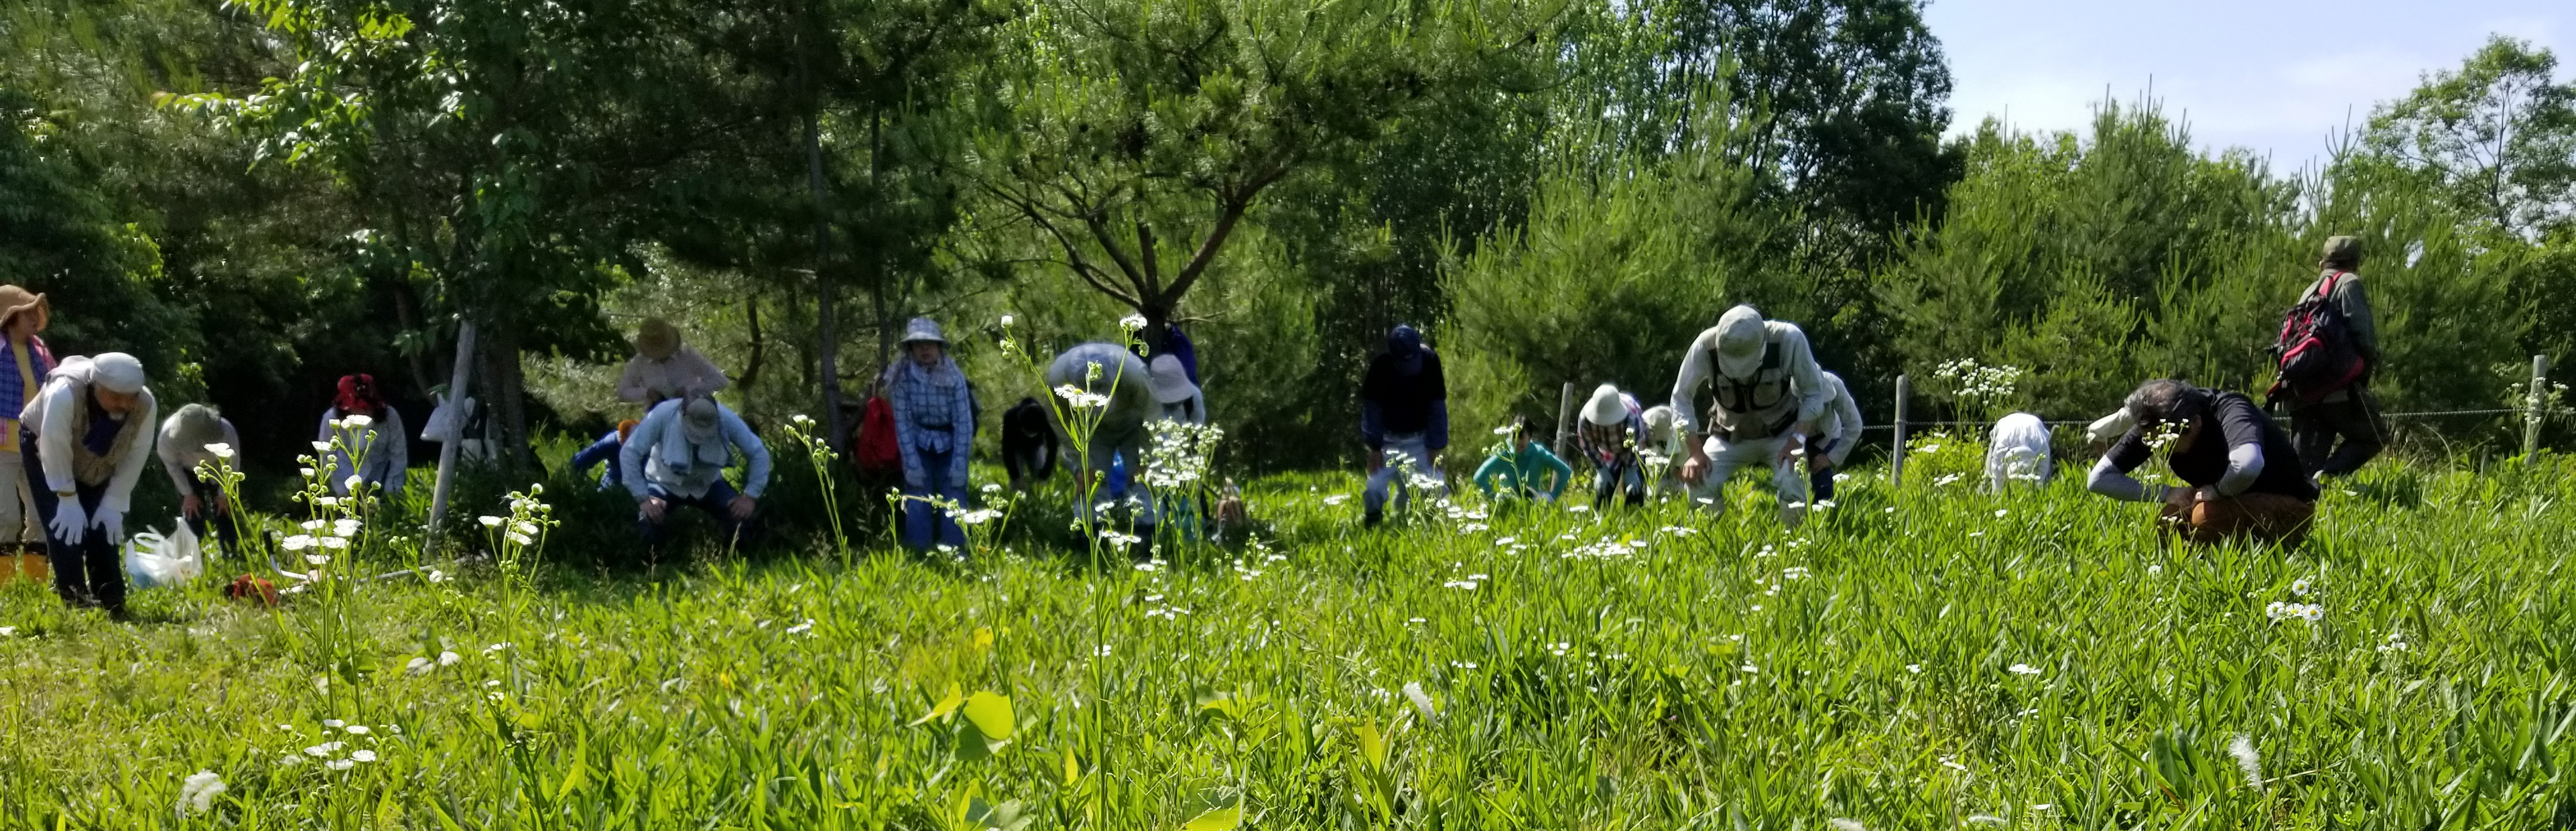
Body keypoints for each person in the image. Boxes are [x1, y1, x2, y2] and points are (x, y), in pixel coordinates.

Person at [2087, 379, 2319, 546]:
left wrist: (2218, 491)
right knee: (2170, 522)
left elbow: (2248, 465)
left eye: (2167, 440)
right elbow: (2098, 480)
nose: (2159, 446)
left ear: (2196, 423)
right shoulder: (2157, 423)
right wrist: (2164, 492)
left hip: (2289, 506)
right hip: (2227, 499)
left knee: (2206, 518)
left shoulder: (2231, 410)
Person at [1669, 305, 1830, 527]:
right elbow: (1681, 397)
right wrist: (1695, 452)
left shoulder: (1788, 339)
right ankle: (1712, 546)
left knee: (1793, 478)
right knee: (1700, 480)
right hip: (1728, 437)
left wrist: (1798, 440)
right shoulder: (1704, 346)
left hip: (1783, 435)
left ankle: (1795, 544)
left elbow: (1814, 392)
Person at [21, 353, 157, 618]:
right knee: (64, 527)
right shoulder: (64, 393)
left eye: (131, 396)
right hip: (43, 448)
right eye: (116, 397)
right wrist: (67, 498)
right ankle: (76, 604)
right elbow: (54, 445)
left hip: (98, 459)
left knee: (101, 526)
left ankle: (111, 601)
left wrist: (114, 502)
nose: (125, 404)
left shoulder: (145, 405)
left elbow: (136, 454)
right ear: (97, 387)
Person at [2281, 235, 2386, 479]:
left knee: (2302, 471)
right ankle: (2329, 476)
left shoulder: (2309, 291)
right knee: (2373, 436)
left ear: (2322, 263)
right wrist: (2363, 372)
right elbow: (2365, 338)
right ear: (2355, 262)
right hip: (2339, 389)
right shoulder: (2350, 283)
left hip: (2303, 389)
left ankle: (2298, 506)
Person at [620, 395, 769, 556]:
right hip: (663, 483)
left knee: (740, 518)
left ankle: (738, 560)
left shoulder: (726, 418)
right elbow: (630, 452)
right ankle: (654, 564)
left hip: (708, 484)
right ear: (682, 414)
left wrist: (750, 497)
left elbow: (759, 453)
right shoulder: (662, 414)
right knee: (649, 519)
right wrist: (644, 499)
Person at [1045, 342, 1157, 527]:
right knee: (1091, 483)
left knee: (1142, 483)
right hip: (1092, 430)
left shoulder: (1134, 373)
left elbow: (1153, 416)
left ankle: (1147, 537)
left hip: (1134, 426)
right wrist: (1083, 464)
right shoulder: (1058, 379)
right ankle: (1089, 536)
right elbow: (1061, 422)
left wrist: (1145, 461)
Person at [891, 318, 977, 550]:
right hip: (918, 442)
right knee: (918, 495)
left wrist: (960, 463)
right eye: (918, 344)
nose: (925, 349)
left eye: (930, 343)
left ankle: (956, 550)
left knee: (955, 495)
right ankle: (918, 551)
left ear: (939, 347)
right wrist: (911, 463)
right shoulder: (901, 379)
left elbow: (963, 423)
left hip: (950, 442)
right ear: (911, 349)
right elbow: (903, 423)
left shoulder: (955, 378)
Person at [1359, 324, 1449, 525]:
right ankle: (1373, 530)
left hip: (1422, 441)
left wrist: (1436, 447)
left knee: (1438, 488)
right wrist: (1374, 448)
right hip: (1387, 444)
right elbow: (1372, 412)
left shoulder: (1430, 362)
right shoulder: (1380, 368)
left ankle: (1432, 529)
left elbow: (1437, 409)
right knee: (1373, 490)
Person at [0, 285, 56, 569]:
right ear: (10, 316)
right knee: (5, 516)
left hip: (34, 442)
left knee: (41, 515)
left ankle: (36, 583)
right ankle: (4, 586)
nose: (35, 318)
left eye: (37, 312)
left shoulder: (40, 350)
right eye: (28, 313)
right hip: (2, 445)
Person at [156, 403, 243, 556]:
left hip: (219, 467)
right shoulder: (166, 436)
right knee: (192, 510)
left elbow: (233, 464)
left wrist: (224, 495)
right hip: (187, 470)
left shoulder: (227, 431)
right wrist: (187, 493)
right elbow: (172, 467)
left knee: (225, 510)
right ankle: (192, 556)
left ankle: (230, 553)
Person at [318, 373, 408, 504]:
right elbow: (326, 455)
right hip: (344, 479)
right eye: (356, 407)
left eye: (366, 407)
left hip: (381, 477)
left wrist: (391, 493)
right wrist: (342, 491)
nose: (362, 411)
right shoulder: (331, 419)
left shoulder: (390, 417)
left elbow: (399, 456)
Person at [617, 318, 729, 409]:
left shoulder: (687, 355)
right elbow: (624, 391)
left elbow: (719, 380)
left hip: (691, 408)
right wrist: (646, 393)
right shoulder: (640, 362)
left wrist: (689, 390)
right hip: (656, 412)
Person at [1575, 385, 1647, 508]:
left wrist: (1632, 469)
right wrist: (1601, 468)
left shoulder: (1632, 417)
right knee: (1603, 491)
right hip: (1607, 451)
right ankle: (1601, 519)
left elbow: (1636, 442)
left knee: (1634, 490)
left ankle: (1634, 518)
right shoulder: (1585, 420)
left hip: (1632, 450)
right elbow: (1588, 445)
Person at [1475, 415, 1573, 503]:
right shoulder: (1504, 453)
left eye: (1521, 437)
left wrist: (1553, 496)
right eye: (1514, 436)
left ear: (1530, 436)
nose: (1517, 441)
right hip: (1508, 504)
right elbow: (1479, 477)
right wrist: (1494, 498)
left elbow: (1565, 471)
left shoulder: (1538, 453)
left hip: (1532, 503)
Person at [1803, 371, 1864, 502]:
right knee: (1789, 479)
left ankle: (1824, 516)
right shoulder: (1784, 387)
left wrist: (1830, 458)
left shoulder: (1835, 384)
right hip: (1795, 436)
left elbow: (1854, 425)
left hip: (1828, 435)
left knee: (1822, 478)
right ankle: (1789, 519)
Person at [1001, 397, 1058, 492]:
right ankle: (1017, 502)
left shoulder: (1045, 419)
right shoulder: (1010, 417)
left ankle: (1040, 502)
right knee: (1016, 487)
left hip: (1037, 447)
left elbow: (1053, 446)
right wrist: (1015, 477)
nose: (1029, 435)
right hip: (1016, 448)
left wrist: (1044, 475)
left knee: (1041, 485)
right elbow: (1007, 450)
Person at [1986, 411, 2054, 490]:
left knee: (2047, 481)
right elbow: (1996, 477)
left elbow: (2041, 478)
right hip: (2004, 426)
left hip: (2036, 427)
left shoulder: (2041, 445)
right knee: (1988, 475)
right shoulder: (2001, 447)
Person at [569, 419, 641, 490]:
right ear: (620, 440)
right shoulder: (611, 442)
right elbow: (578, 462)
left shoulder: (648, 440)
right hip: (614, 487)